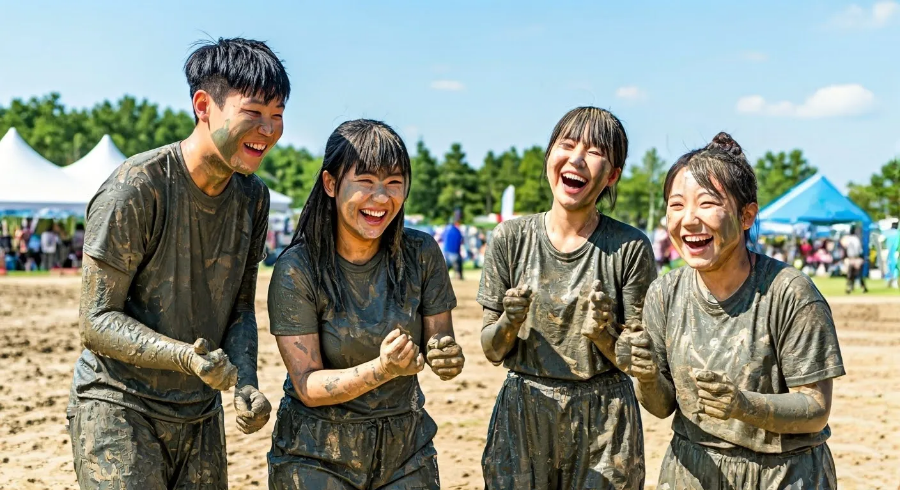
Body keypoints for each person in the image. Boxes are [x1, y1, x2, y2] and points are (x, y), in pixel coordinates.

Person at [66, 37, 289, 489]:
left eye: (278, 115)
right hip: (119, 406)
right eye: (254, 112)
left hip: (199, 413)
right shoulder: (137, 186)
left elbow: (241, 309)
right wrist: (185, 358)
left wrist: (245, 381)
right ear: (204, 105)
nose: (268, 129)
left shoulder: (253, 197)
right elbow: (96, 320)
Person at [626, 132, 844, 489]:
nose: (689, 220)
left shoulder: (789, 293)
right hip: (692, 470)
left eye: (708, 203)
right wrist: (647, 375)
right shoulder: (665, 293)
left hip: (782, 474)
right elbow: (662, 406)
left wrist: (743, 406)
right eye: (677, 205)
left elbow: (815, 410)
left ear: (746, 216)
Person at [267, 119, 465, 490]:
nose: (381, 198)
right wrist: (383, 368)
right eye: (366, 181)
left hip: (405, 449)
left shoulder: (421, 254)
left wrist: (446, 355)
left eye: (394, 183)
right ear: (330, 184)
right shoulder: (298, 268)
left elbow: (441, 342)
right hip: (315, 453)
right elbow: (307, 384)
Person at [478, 107, 656, 489]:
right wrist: (509, 322)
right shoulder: (510, 239)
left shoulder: (629, 248)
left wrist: (604, 335)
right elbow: (492, 351)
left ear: (612, 175)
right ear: (549, 158)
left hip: (605, 418)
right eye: (567, 144)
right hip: (523, 410)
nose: (576, 158)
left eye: (593, 151)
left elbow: (639, 360)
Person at [840, 225, 868, 294]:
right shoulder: (856, 239)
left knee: (850, 274)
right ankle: (862, 288)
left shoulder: (848, 239)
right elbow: (860, 250)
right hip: (857, 258)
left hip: (851, 258)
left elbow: (844, 248)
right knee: (858, 274)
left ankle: (849, 287)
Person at [884, 221, 899, 289]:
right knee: (895, 267)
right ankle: (894, 281)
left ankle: (889, 281)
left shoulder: (887, 232)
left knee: (889, 266)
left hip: (888, 252)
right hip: (895, 252)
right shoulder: (897, 233)